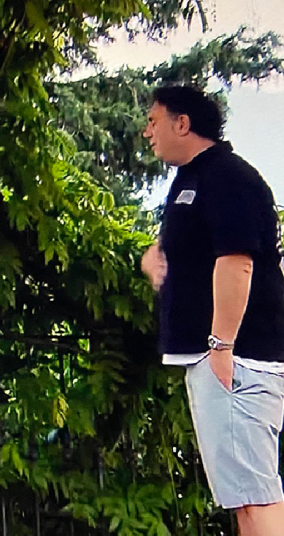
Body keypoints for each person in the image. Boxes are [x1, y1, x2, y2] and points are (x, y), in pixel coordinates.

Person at [140, 85, 284, 534]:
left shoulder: (226, 176)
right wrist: (157, 256)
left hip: (236, 358)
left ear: (182, 123)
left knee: (254, 496)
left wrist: (222, 346)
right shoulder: (193, 180)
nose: (147, 132)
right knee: (244, 496)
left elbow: (238, 260)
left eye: (153, 121)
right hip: (221, 358)